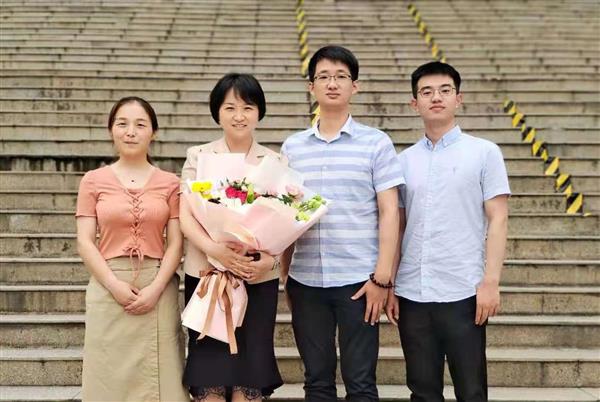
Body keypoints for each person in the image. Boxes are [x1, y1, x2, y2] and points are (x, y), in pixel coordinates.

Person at [280, 45, 403, 402]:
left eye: (340, 76)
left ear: (354, 86)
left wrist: (382, 278)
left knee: (361, 383)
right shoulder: (293, 147)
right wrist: (286, 275)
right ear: (311, 87)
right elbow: (284, 214)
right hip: (306, 281)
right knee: (316, 382)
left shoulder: (376, 143)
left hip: (360, 283)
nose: (332, 83)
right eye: (323, 77)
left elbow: (390, 211)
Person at [385, 61, 510, 402]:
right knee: (422, 391)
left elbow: (498, 219)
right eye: (426, 92)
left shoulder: (484, 153)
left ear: (458, 98)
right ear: (415, 103)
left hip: (464, 291)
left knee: (471, 390)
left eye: (444, 90)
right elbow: (399, 225)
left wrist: (491, 282)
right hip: (413, 292)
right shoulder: (403, 161)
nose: (436, 97)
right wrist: (391, 283)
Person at [179, 73, 284, 402]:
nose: (240, 116)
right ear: (217, 112)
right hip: (208, 276)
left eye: (248, 107)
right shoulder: (199, 156)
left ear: (259, 112)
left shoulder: (275, 161)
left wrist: (270, 260)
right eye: (230, 108)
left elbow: (287, 219)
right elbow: (186, 214)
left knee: (249, 377)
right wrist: (215, 249)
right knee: (209, 374)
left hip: (256, 278)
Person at [76, 96, 189, 401]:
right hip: (108, 284)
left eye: (140, 124)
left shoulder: (171, 183)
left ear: (153, 132)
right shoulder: (92, 181)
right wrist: (114, 285)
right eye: (122, 124)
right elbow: (85, 241)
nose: (130, 132)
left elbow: (176, 243)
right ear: (111, 130)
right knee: (107, 377)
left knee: (163, 378)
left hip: (157, 285)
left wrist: (155, 288)